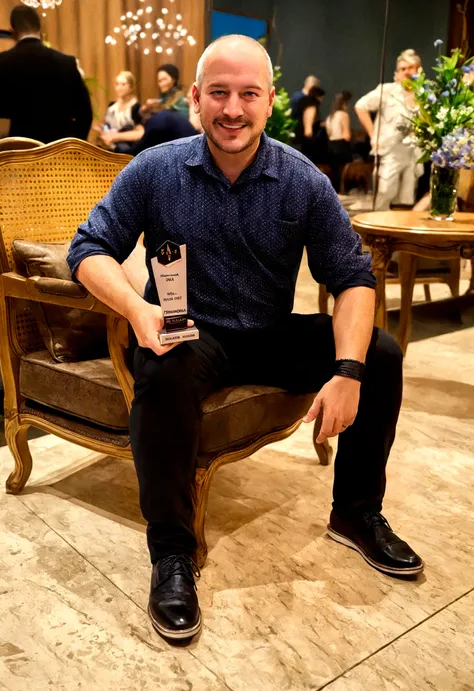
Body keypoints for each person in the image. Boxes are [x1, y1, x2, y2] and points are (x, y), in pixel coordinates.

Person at [68, 34, 423, 643]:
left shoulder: (301, 179)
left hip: (267, 331)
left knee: (381, 354)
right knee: (162, 368)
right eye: (220, 93)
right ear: (198, 99)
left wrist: (347, 371)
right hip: (189, 332)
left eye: (248, 94)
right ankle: (172, 555)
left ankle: (357, 513)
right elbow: (88, 247)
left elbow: (354, 278)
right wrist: (135, 308)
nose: (233, 109)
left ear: (267, 100)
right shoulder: (155, 169)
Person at [0, 6, 92, 144]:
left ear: (13, 32)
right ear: (40, 30)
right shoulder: (66, 62)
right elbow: (85, 114)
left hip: (19, 154)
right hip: (59, 154)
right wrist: (73, 148)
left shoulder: (3, 62)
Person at [355, 49, 423, 210]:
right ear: (397, 73)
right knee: (385, 192)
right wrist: (373, 135)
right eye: (402, 69)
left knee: (406, 198)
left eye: (410, 67)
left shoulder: (424, 95)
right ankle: (377, 231)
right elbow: (360, 106)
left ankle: (399, 233)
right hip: (390, 151)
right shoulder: (387, 90)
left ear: (419, 69)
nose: (406, 72)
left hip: (412, 154)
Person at [97, 71, 144, 153]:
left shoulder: (135, 107)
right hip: (111, 146)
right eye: (117, 84)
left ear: (131, 87)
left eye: (123, 84)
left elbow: (140, 133)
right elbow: (106, 126)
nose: (119, 87)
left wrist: (116, 136)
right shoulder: (111, 107)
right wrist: (104, 132)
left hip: (127, 149)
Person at [127, 108, 198, 155]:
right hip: (196, 148)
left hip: (189, 153)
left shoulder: (155, 122)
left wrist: (122, 153)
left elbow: (141, 148)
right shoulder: (167, 115)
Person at [326, 91, 353, 193]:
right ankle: (345, 190)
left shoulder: (330, 117)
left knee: (334, 171)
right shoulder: (343, 114)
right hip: (341, 146)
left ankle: (334, 191)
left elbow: (329, 133)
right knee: (343, 172)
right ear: (345, 103)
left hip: (331, 146)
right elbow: (347, 135)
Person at [297, 84, 328, 164]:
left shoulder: (303, 102)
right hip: (309, 142)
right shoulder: (311, 106)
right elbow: (308, 127)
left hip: (301, 139)